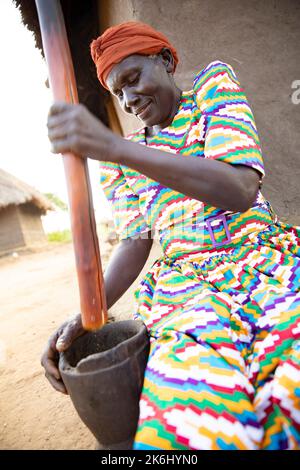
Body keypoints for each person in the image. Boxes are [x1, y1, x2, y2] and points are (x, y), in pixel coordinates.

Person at [42, 21, 300, 450]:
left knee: (288, 380)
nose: (128, 98)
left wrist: (115, 148)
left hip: (267, 263)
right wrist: (90, 312)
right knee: (192, 407)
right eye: (116, 92)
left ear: (164, 60)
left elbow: (239, 189)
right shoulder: (121, 160)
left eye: (132, 79)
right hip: (188, 288)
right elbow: (135, 240)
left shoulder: (213, 89)